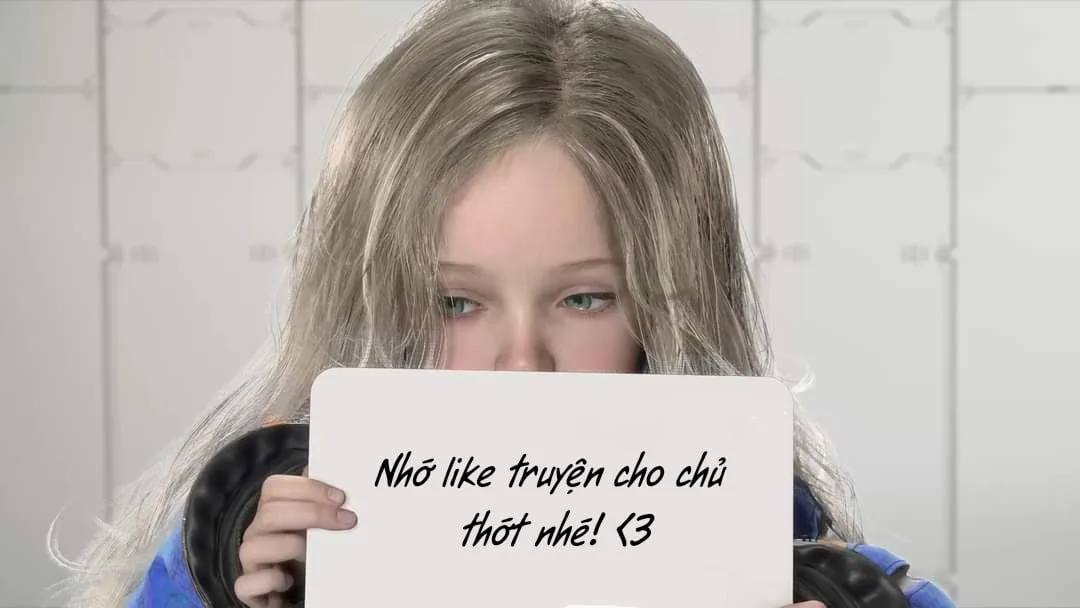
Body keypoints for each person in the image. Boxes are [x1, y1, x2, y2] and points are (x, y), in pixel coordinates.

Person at [55, 0, 954, 606]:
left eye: (587, 298)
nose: (523, 362)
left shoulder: (785, 554)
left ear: (676, 300)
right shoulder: (263, 548)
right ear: (368, 299)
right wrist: (218, 582)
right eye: (455, 303)